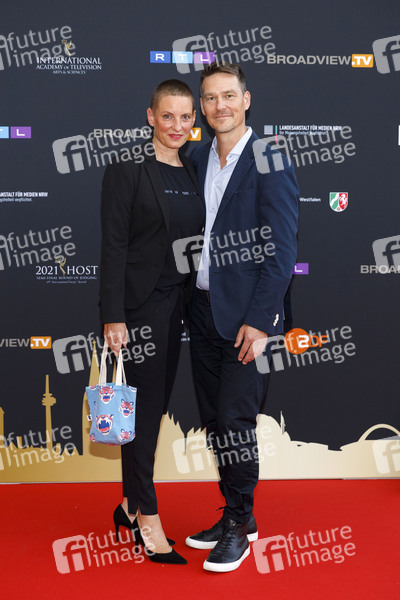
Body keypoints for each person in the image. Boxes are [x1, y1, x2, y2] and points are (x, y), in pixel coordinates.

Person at [185, 62, 299, 572]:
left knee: (235, 422)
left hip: (249, 320)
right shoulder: (197, 156)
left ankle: (238, 524)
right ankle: (237, 514)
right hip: (203, 309)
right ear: (202, 106)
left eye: (228, 96)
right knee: (215, 420)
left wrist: (261, 320)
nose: (220, 106)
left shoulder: (269, 157)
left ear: (246, 100)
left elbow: (283, 250)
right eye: (210, 98)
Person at [100, 79, 205, 565]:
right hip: (140, 310)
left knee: (148, 410)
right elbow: (113, 247)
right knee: (141, 414)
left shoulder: (194, 169)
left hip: (178, 305)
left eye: (185, 117)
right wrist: (113, 316)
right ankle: (148, 516)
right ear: (150, 116)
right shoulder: (128, 170)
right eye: (168, 116)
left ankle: (127, 503)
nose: (177, 126)